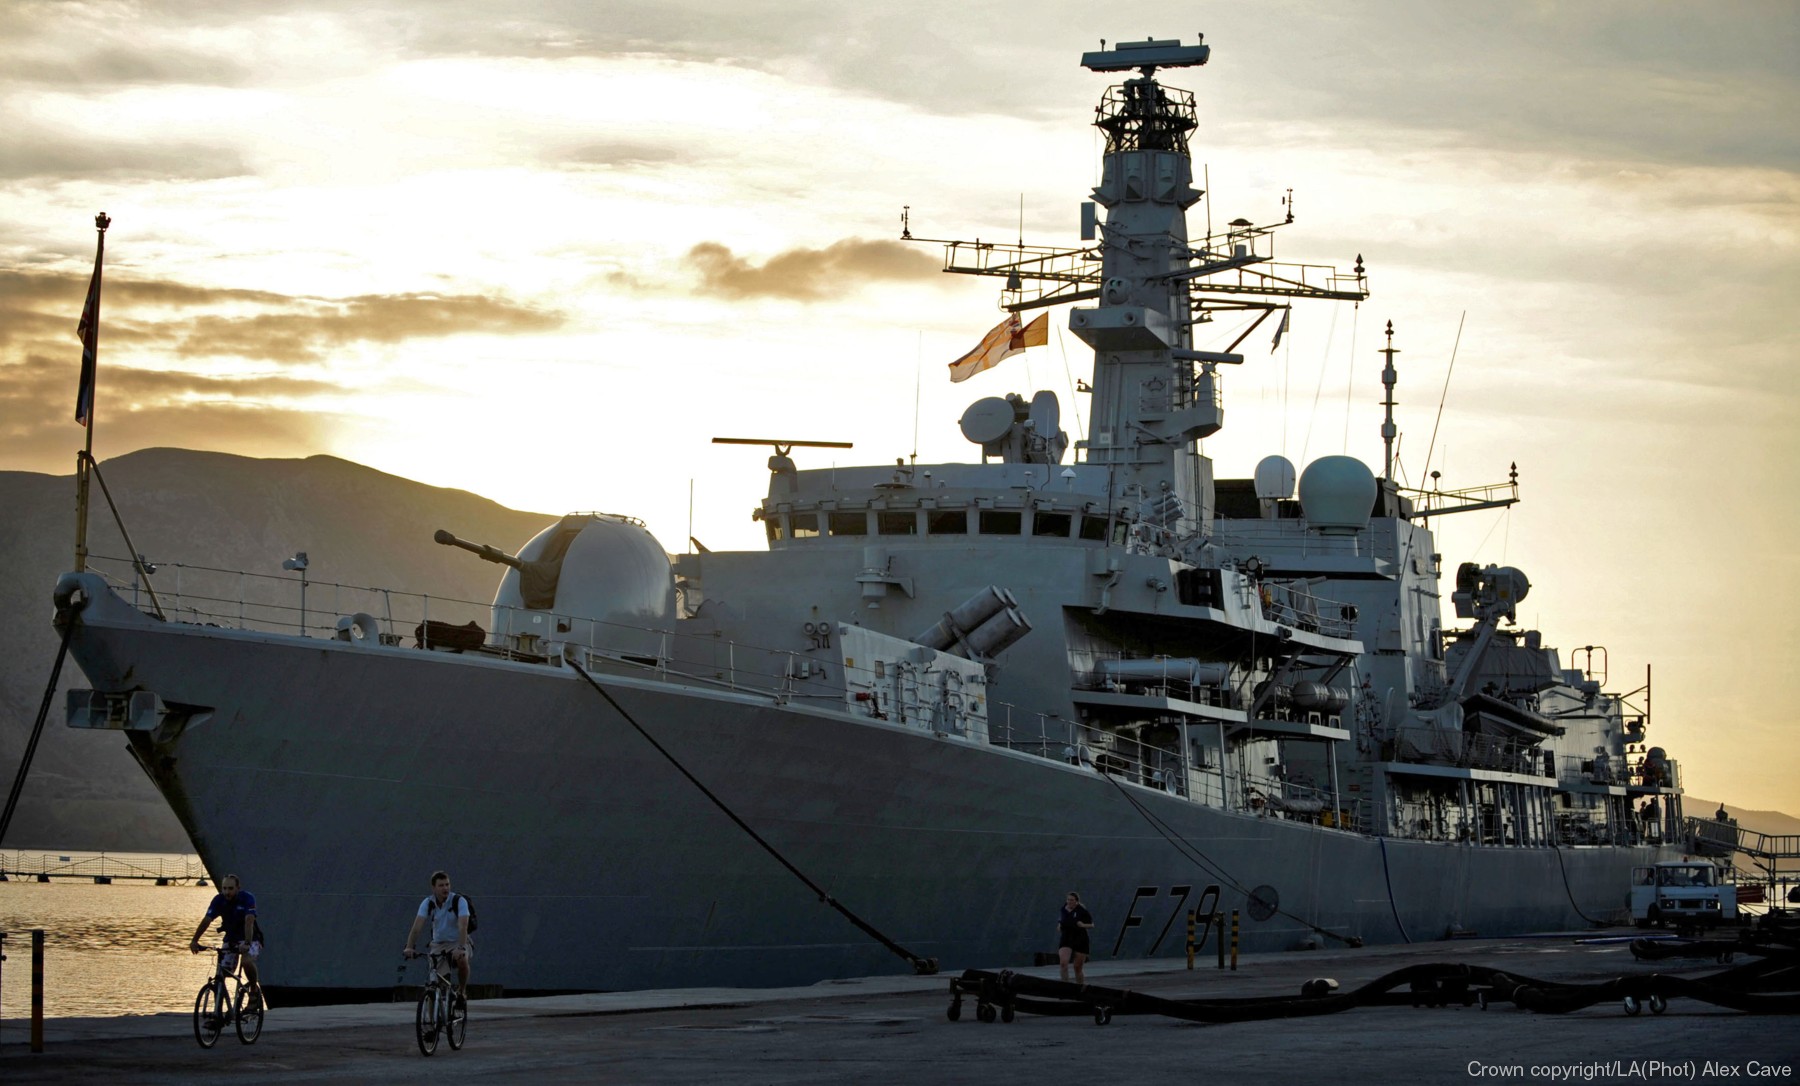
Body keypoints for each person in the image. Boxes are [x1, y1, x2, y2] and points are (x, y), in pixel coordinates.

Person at [189, 874, 261, 999]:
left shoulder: (247, 898)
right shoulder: (219, 900)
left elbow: (249, 921)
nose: (227, 892)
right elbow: (207, 920)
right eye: (224, 888)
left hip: (251, 938)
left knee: (246, 961)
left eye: (230, 888)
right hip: (231, 939)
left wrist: (247, 943)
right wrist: (194, 940)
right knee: (222, 972)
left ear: (238, 888)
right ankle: (222, 1007)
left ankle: (254, 990)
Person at [404, 870, 472, 1001]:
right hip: (438, 944)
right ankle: (433, 1019)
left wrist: (461, 947)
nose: (445, 888)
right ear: (433, 888)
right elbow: (417, 927)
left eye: (447, 884)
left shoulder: (459, 901)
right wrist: (409, 947)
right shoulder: (428, 903)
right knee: (435, 986)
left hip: (459, 940)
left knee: (462, 960)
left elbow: (463, 926)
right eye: (441, 885)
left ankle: (462, 990)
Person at [1056, 891, 1094, 985]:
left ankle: (1080, 988)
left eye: (1072, 900)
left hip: (1080, 938)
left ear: (1076, 901)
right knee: (1063, 964)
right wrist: (1059, 926)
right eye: (1068, 899)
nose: (1069, 902)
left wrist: (1083, 925)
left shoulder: (1082, 911)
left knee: (1077, 967)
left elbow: (1092, 925)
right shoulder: (1063, 909)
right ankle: (1065, 988)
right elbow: (1061, 920)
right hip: (1066, 937)